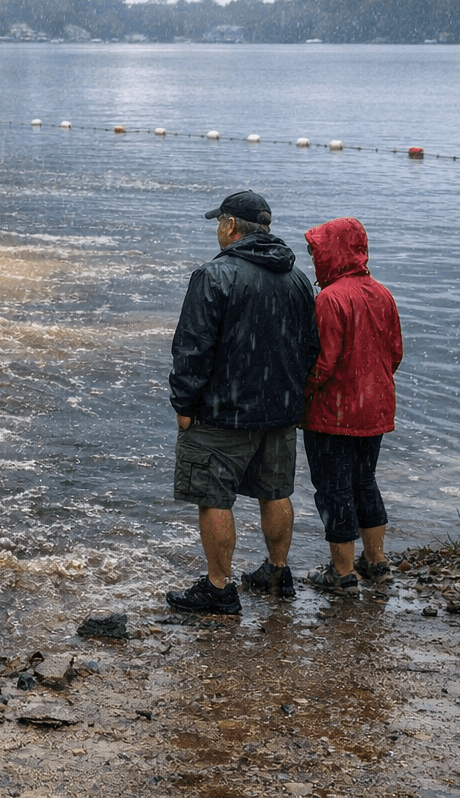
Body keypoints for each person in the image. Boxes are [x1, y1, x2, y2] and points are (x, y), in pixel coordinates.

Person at [167, 190, 319, 614]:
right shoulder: (297, 278)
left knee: (214, 498)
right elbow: (310, 348)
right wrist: (291, 398)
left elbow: (192, 348)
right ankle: (277, 571)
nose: (218, 229)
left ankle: (219, 588)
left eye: (219, 223)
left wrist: (183, 404)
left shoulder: (214, 276)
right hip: (280, 411)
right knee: (276, 492)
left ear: (231, 226)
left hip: (223, 412)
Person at [301, 217, 403, 596]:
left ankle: (342, 573)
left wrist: (300, 396)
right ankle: (377, 563)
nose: (314, 258)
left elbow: (322, 365)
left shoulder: (330, 299)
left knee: (333, 490)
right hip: (374, 411)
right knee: (364, 482)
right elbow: (395, 354)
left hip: (334, 414)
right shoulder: (382, 293)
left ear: (334, 251)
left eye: (317, 251)